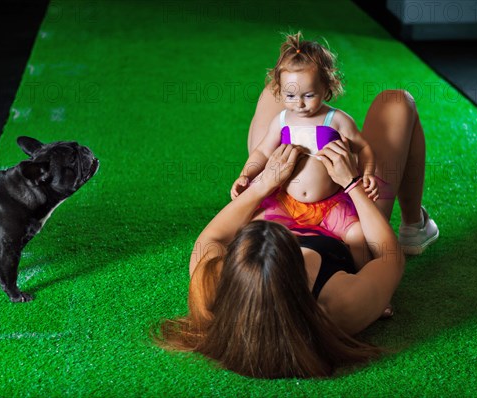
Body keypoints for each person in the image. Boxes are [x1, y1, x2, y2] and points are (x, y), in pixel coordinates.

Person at [154, 87, 440, 378]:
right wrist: (351, 183)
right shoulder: (339, 305)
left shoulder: (211, 290)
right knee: (396, 101)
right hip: (347, 217)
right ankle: (413, 225)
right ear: (296, 265)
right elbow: (389, 258)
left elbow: (213, 237)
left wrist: (265, 183)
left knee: (277, 93)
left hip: (279, 195)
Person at [230, 32, 384, 268]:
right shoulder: (281, 120)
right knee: (254, 229)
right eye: (290, 95)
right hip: (287, 202)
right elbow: (261, 152)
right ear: (280, 91)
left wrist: (368, 173)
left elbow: (362, 147)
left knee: (357, 237)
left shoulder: (336, 119)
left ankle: (364, 279)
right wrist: (246, 174)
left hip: (331, 204)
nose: (299, 104)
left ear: (326, 88)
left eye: (308, 95)